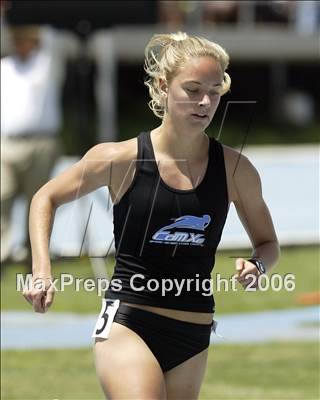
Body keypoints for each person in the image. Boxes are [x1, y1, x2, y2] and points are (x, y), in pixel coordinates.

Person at [23, 31, 280, 399]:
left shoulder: (236, 169)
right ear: (163, 86)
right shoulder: (119, 158)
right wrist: (42, 271)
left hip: (193, 331)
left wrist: (258, 267)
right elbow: (45, 198)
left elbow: (268, 244)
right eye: (192, 89)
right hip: (130, 321)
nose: (205, 101)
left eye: (213, 91)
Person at [1, 25, 80, 269]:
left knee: (37, 199)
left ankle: (31, 255)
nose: (20, 43)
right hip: (7, 143)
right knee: (2, 196)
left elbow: (52, 37)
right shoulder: (4, 67)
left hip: (41, 143)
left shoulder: (46, 63)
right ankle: (3, 254)